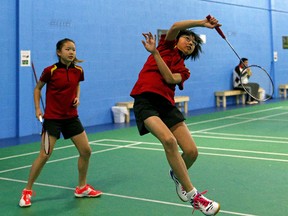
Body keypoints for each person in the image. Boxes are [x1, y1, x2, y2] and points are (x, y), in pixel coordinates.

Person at [130, 17, 221, 215]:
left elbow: (169, 78)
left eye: (194, 43)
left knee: (191, 152)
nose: (190, 42)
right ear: (178, 39)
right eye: (187, 38)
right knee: (169, 141)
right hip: (145, 101)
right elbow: (175, 27)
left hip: (167, 106)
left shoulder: (184, 70)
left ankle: (177, 173)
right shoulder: (165, 46)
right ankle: (194, 196)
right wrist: (202, 24)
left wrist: (154, 55)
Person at [19, 38, 102, 207]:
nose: (71, 52)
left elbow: (77, 85)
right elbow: (38, 89)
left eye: (73, 49)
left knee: (86, 151)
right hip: (53, 120)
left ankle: (81, 187)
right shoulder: (50, 71)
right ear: (59, 52)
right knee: (44, 155)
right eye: (68, 49)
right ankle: (27, 191)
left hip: (71, 117)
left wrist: (77, 97)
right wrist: (37, 109)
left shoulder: (78, 70)